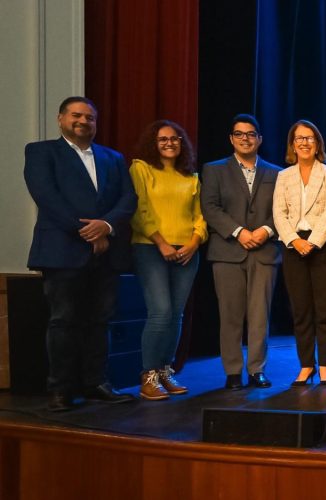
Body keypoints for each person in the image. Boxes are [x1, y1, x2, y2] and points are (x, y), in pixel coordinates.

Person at [24, 96, 136, 411]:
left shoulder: (113, 157)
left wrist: (107, 226)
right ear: (61, 119)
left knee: (100, 322)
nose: (83, 121)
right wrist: (87, 232)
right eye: (76, 115)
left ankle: (96, 382)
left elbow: (128, 199)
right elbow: (46, 197)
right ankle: (60, 390)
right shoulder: (41, 152)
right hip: (62, 252)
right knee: (63, 321)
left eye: (90, 117)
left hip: (106, 254)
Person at [201, 114, 282, 391]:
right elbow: (210, 207)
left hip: (265, 251)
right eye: (239, 134)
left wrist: (266, 231)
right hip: (227, 251)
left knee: (260, 315)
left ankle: (257, 369)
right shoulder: (214, 170)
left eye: (250, 134)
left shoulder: (276, 173)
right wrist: (239, 232)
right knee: (231, 315)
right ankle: (233, 371)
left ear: (259, 139)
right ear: (231, 139)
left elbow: (284, 211)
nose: (245, 139)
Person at [129, 120, 207, 400]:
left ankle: (165, 371)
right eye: (163, 139)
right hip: (151, 248)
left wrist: (194, 242)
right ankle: (148, 375)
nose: (170, 143)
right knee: (160, 312)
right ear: (154, 143)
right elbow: (139, 210)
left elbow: (200, 215)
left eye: (175, 139)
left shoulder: (191, 176)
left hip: (187, 250)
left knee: (176, 315)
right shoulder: (141, 168)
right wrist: (161, 243)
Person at [274, 120, 326, 387]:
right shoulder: (284, 176)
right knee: (301, 310)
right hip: (293, 247)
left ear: (318, 144)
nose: (304, 142)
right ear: (293, 144)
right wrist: (294, 240)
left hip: (324, 245)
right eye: (299, 138)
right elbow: (279, 213)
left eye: (310, 138)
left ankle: (325, 366)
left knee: (324, 309)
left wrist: (312, 242)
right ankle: (306, 366)